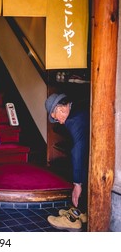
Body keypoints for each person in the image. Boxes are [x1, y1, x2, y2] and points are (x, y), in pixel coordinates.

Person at [45, 93, 90, 231]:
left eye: (55, 118)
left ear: (60, 109)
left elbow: (78, 150)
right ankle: (82, 211)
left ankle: (74, 218)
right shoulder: (78, 106)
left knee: (81, 163)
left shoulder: (72, 120)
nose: (58, 121)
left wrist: (77, 184)